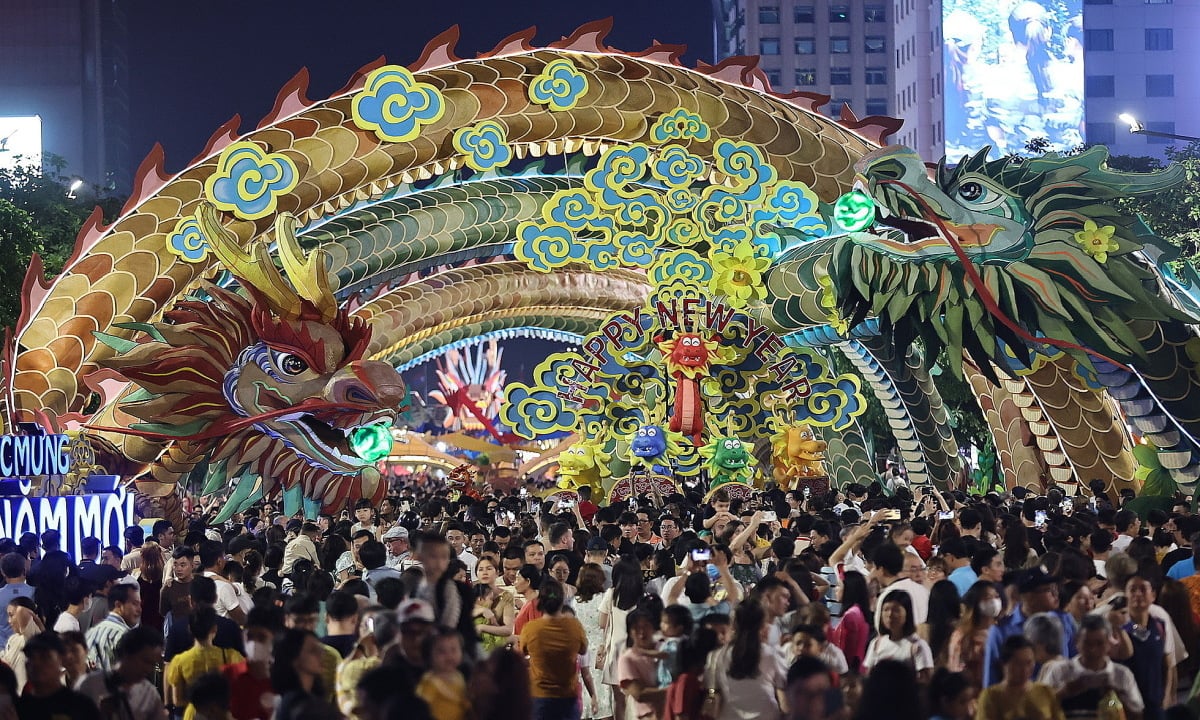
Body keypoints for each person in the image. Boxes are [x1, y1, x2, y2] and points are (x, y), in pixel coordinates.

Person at [1041, 614, 1145, 718]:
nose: (1093, 649)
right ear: (1077, 642)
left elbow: (1137, 715)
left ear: (1109, 643)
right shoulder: (1060, 671)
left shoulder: (1121, 675)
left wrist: (1116, 696)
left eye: (1099, 643)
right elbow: (1039, 709)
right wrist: (1064, 692)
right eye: (1087, 643)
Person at [520, 578, 588, 720]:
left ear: (540, 601)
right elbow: (583, 649)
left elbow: (522, 652)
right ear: (562, 600)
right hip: (568, 694)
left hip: (539, 695)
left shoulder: (531, 629)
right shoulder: (574, 626)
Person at [711, 599, 788, 720]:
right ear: (763, 624)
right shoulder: (772, 653)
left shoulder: (718, 655)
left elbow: (713, 689)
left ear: (734, 624)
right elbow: (783, 687)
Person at [165, 608, 246, 716]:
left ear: (190, 629)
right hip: (221, 714)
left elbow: (178, 701)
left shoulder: (179, 661)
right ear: (214, 629)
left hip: (193, 714)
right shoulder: (231, 656)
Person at [77, 625, 169, 720]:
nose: (149, 669)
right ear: (127, 653)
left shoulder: (149, 693)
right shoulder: (89, 685)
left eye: (153, 664)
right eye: (145, 661)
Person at [16, 632, 102, 720]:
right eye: (31, 657)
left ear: (60, 660)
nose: (36, 664)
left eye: (44, 657)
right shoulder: (17, 709)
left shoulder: (80, 706)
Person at [975, 635, 1065, 720]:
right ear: (1004, 664)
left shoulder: (1045, 691)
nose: (1025, 669)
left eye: (1029, 663)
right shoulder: (991, 696)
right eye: (1018, 664)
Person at [1121, 574, 1172, 720]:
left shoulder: (1159, 625)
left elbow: (1167, 664)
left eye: (1143, 589)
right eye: (1132, 590)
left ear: (1153, 595)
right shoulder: (1118, 628)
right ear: (1126, 595)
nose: (1138, 594)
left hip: (1155, 706)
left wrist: (1167, 696)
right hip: (1128, 708)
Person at [863, 590, 934, 682]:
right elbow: (868, 675)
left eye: (896, 610)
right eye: (886, 610)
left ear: (907, 613)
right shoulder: (876, 644)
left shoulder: (917, 646)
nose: (890, 615)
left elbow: (925, 681)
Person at [270, 628, 338, 720]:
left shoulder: (299, 699)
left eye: (320, 649)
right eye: (313, 650)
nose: (321, 654)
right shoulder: (301, 707)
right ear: (294, 657)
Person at [947, 581, 1002, 687]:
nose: (994, 601)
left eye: (996, 596)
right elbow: (956, 669)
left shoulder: (1000, 631)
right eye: (988, 598)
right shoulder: (963, 635)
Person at [222, 622, 276, 720]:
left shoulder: (284, 678)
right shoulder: (226, 673)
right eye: (250, 636)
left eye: (261, 637)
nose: (254, 643)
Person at [618, 609, 665, 720]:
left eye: (646, 626)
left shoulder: (665, 648)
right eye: (636, 628)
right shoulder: (627, 659)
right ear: (629, 632)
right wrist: (675, 690)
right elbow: (640, 694)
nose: (642, 632)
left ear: (653, 628)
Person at [85, 582, 142, 672]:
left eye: (139, 604)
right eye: (134, 604)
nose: (139, 609)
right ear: (118, 605)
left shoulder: (92, 633)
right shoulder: (124, 636)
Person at [416, 627, 470, 720]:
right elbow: (420, 709)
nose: (449, 656)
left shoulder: (459, 676)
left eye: (453, 649)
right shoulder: (429, 682)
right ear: (429, 655)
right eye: (441, 651)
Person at [829, 570, 871, 674]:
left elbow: (848, 650)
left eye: (839, 586)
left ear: (849, 589)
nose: (835, 589)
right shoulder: (857, 611)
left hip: (850, 671)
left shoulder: (851, 616)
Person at [0, 553, 33, 646]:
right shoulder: (35, 593)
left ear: (3, 572)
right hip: (29, 648)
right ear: (24, 570)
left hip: (3, 649)